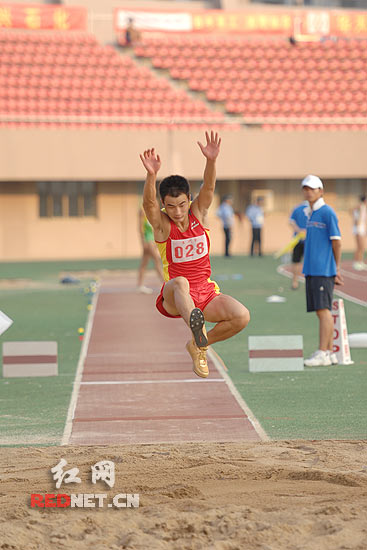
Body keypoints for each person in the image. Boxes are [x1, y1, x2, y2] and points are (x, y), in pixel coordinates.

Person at [139, 131, 250, 378]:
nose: (177, 212)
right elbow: (148, 205)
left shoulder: (198, 213)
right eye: (170, 206)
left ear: (189, 200)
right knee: (180, 282)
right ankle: (195, 329)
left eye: (181, 205)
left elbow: (209, 186)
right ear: (163, 205)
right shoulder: (162, 226)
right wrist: (151, 175)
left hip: (206, 292)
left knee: (242, 316)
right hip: (174, 295)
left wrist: (211, 161)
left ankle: (199, 343)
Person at [302, 175, 344, 367]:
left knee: (323, 310)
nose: (308, 192)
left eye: (312, 188)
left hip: (322, 270)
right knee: (321, 311)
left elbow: (336, 241)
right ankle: (328, 353)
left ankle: (323, 352)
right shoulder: (310, 213)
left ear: (321, 191)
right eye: (306, 188)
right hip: (312, 269)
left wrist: (336, 268)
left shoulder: (327, 212)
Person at [137, 207, 165, 294]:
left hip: (152, 239)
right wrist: (143, 241)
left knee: (144, 263)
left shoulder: (154, 212)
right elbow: (140, 227)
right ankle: (164, 283)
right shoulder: (143, 210)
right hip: (148, 240)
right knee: (157, 260)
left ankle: (140, 285)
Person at [289, 200, 308, 289]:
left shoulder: (297, 208)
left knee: (296, 262)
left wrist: (299, 230)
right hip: (309, 240)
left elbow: (291, 222)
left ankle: (294, 282)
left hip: (298, 239)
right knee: (309, 263)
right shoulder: (315, 209)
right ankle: (309, 283)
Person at [351, 195, 367, 271]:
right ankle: (356, 263)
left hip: (361, 228)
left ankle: (360, 262)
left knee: (362, 247)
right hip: (359, 229)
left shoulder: (362, 207)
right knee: (360, 246)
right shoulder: (361, 206)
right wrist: (357, 226)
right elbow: (359, 218)